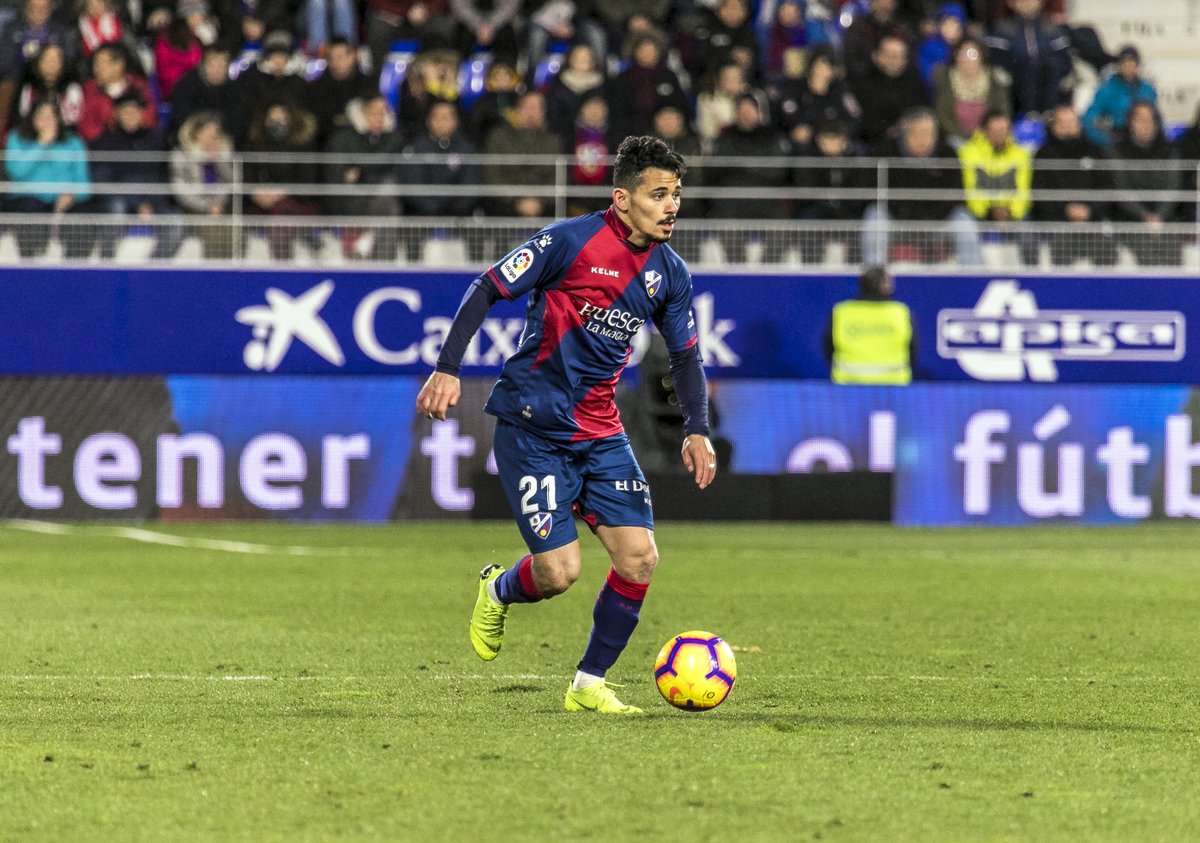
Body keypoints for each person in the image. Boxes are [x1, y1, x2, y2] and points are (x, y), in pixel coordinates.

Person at [415, 135, 716, 715]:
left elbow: (685, 358)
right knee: (559, 572)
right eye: (659, 194)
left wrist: (696, 428)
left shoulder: (669, 273)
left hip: (601, 433)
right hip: (532, 427)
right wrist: (447, 368)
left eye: (676, 194)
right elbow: (487, 287)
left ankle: (588, 685)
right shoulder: (569, 241)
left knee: (640, 558)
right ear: (622, 198)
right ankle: (498, 587)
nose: (672, 205)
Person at [862, 107, 980, 266]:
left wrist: (931, 218)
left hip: (939, 218)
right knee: (874, 217)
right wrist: (908, 215)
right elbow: (880, 193)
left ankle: (972, 279)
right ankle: (874, 277)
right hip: (898, 217)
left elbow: (955, 194)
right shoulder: (887, 152)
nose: (923, 140)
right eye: (916, 134)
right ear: (905, 134)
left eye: (928, 133)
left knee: (965, 223)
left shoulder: (948, 153)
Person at [89, 88, 184, 260]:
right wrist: (138, 203)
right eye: (126, 111)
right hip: (119, 199)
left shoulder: (156, 140)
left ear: (142, 114)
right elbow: (102, 179)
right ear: (117, 114)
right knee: (114, 211)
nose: (130, 116)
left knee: (175, 222)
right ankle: (107, 263)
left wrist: (150, 202)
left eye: (135, 111)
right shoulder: (105, 141)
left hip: (154, 199)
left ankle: (153, 269)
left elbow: (164, 176)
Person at [4, 97, 94, 259]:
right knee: (29, 212)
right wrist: (41, 144)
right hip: (28, 201)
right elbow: (16, 172)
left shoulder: (73, 142)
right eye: (41, 116)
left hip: (64, 202)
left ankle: (75, 269)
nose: (47, 121)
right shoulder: (16, 139)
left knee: (83, 217)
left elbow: (84, 185)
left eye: (51, 116)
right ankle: (31, 266)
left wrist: (71, 195)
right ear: (32, 118)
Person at [1029, 102, 1116, 266]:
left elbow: (1106, 186)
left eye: (1072, 122)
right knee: (1061, 243)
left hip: (1092, 219)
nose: (1069, 127)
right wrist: (1065, 209)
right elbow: (1039, 191)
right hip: (1057, 220)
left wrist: (1089, 209)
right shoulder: (1044, 154)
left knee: (1106, 246)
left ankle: (1103, 290)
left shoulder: (1094, 151)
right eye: (1063, 123)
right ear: (1054, 126)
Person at [323, 93, 404, 261]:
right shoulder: (342, 139)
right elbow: (336, 177)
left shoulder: (394, 139)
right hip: (350, 202)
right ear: (362, 113)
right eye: (374, 112)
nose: (379, 118)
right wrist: (374, 172)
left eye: (383, 113)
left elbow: (395, 171)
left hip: (381, 200)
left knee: (389, 193)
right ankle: (374, 249)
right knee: (388, 203)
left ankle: (376, 251)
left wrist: (361, 171)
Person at [1106, 99, 1183, 267]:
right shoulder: (1117, 150)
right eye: (1140, 119)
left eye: (1149, 119)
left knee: (1173, 246)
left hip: (1166, 218)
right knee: (1145, 247)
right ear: (1130, 122)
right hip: (1129, 218)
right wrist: (1144, 216)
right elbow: (1121, 188)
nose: (1145, 124)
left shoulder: (1169, 150)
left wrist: (1160, 216)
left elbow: (1173, 186)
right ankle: (1152, 291)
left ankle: (1172, 291)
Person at [824, 265, 915, 384]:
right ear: (885, 286)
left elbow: (828, 347)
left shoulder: (842, 311)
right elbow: (913, 350)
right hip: (893, 386)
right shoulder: (900, 312)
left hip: (848, 385)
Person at [984, 0, 1072, 118]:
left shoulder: (1053, 28)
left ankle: (1050, 114)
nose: (1027, 3)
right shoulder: (1002, 29)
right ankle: (1030, 114)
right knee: (1029, 65)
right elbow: (997, 60)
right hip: (1017, 82)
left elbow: (1064, 59)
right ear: (1011, 3)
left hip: (1049, 80)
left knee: (1052, 65)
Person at [482, 89, 561, 217]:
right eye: (528, 106)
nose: (532, 112)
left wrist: (539, 200)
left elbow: (557, 178)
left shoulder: (553, 141)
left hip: (543, 205)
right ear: (518, 108)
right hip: (505, 203)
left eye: (537, 108)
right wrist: (517, 200)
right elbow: (492, 175)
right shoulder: (499, 136)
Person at [170, 110, 236, 260]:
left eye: (215, 133)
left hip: (220, 207)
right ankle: (212, 276)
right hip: (193, 209)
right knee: (214, 233)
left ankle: (232, 276)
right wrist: (207, 206)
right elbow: (181, 190)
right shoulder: (181, 155)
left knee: (236, 234)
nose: (211, 137)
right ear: (196, 132)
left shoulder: (224, 153)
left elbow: (232, 181)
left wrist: (219, 161)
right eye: (207, 132)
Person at [849, 33, 927, 147]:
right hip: (872, 142)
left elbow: (921, 110)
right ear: (876, 56)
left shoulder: (914, 81)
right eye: (890, 55)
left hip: (910, 141)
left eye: (899, 56)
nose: (894, 60)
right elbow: (860, 118)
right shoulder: (862, 82)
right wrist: (886, 131)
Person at [932, 36, 1010, 148]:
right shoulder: (944, 79)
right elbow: (942, 114)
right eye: (961, 53)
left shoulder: (995, 79)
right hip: (954, 138)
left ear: (981, 56)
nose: (966, 59)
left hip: (988, 137)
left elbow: (1003, 110)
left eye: (971, 54)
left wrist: (985, 134)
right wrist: (962, 136)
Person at [957, 109, 1031, 225]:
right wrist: (989, 211)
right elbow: (970, 188)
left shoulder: (1021, 155)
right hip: (978, 214)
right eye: (995, 131)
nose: (1000, 135)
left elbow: (1023, 190)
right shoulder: (968, 153)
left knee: (1028, 230)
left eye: (1004, 130)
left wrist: (1012, 211)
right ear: (984, 131)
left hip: (1013, 215)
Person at [77, 41, 157, 143]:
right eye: (95, 64)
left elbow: (150, 118)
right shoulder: (88, 90)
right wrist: (113, 122)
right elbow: (86, 128)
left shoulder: (139, 86)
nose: (95, 69)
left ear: (118, 65)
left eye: (100, 64)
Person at [168, 41, 244, 145]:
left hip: (222, 143)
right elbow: (181, 117)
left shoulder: (235, 90)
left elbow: (237, 122)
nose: (217, 70)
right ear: (203, 65)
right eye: (212, 65)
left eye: (222, 65)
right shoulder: (186, 85)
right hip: (190, 141)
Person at [1082, 44, 1156, 148]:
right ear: (1118, 65)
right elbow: (1088, 119)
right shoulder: (1106, 89)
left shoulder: (1147, 89)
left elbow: (1156, 117)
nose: (1128, 66)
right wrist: (1104, 139)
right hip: (1117, 137)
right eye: (1124, 62)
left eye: (1132, 62)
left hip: (1142, 138)